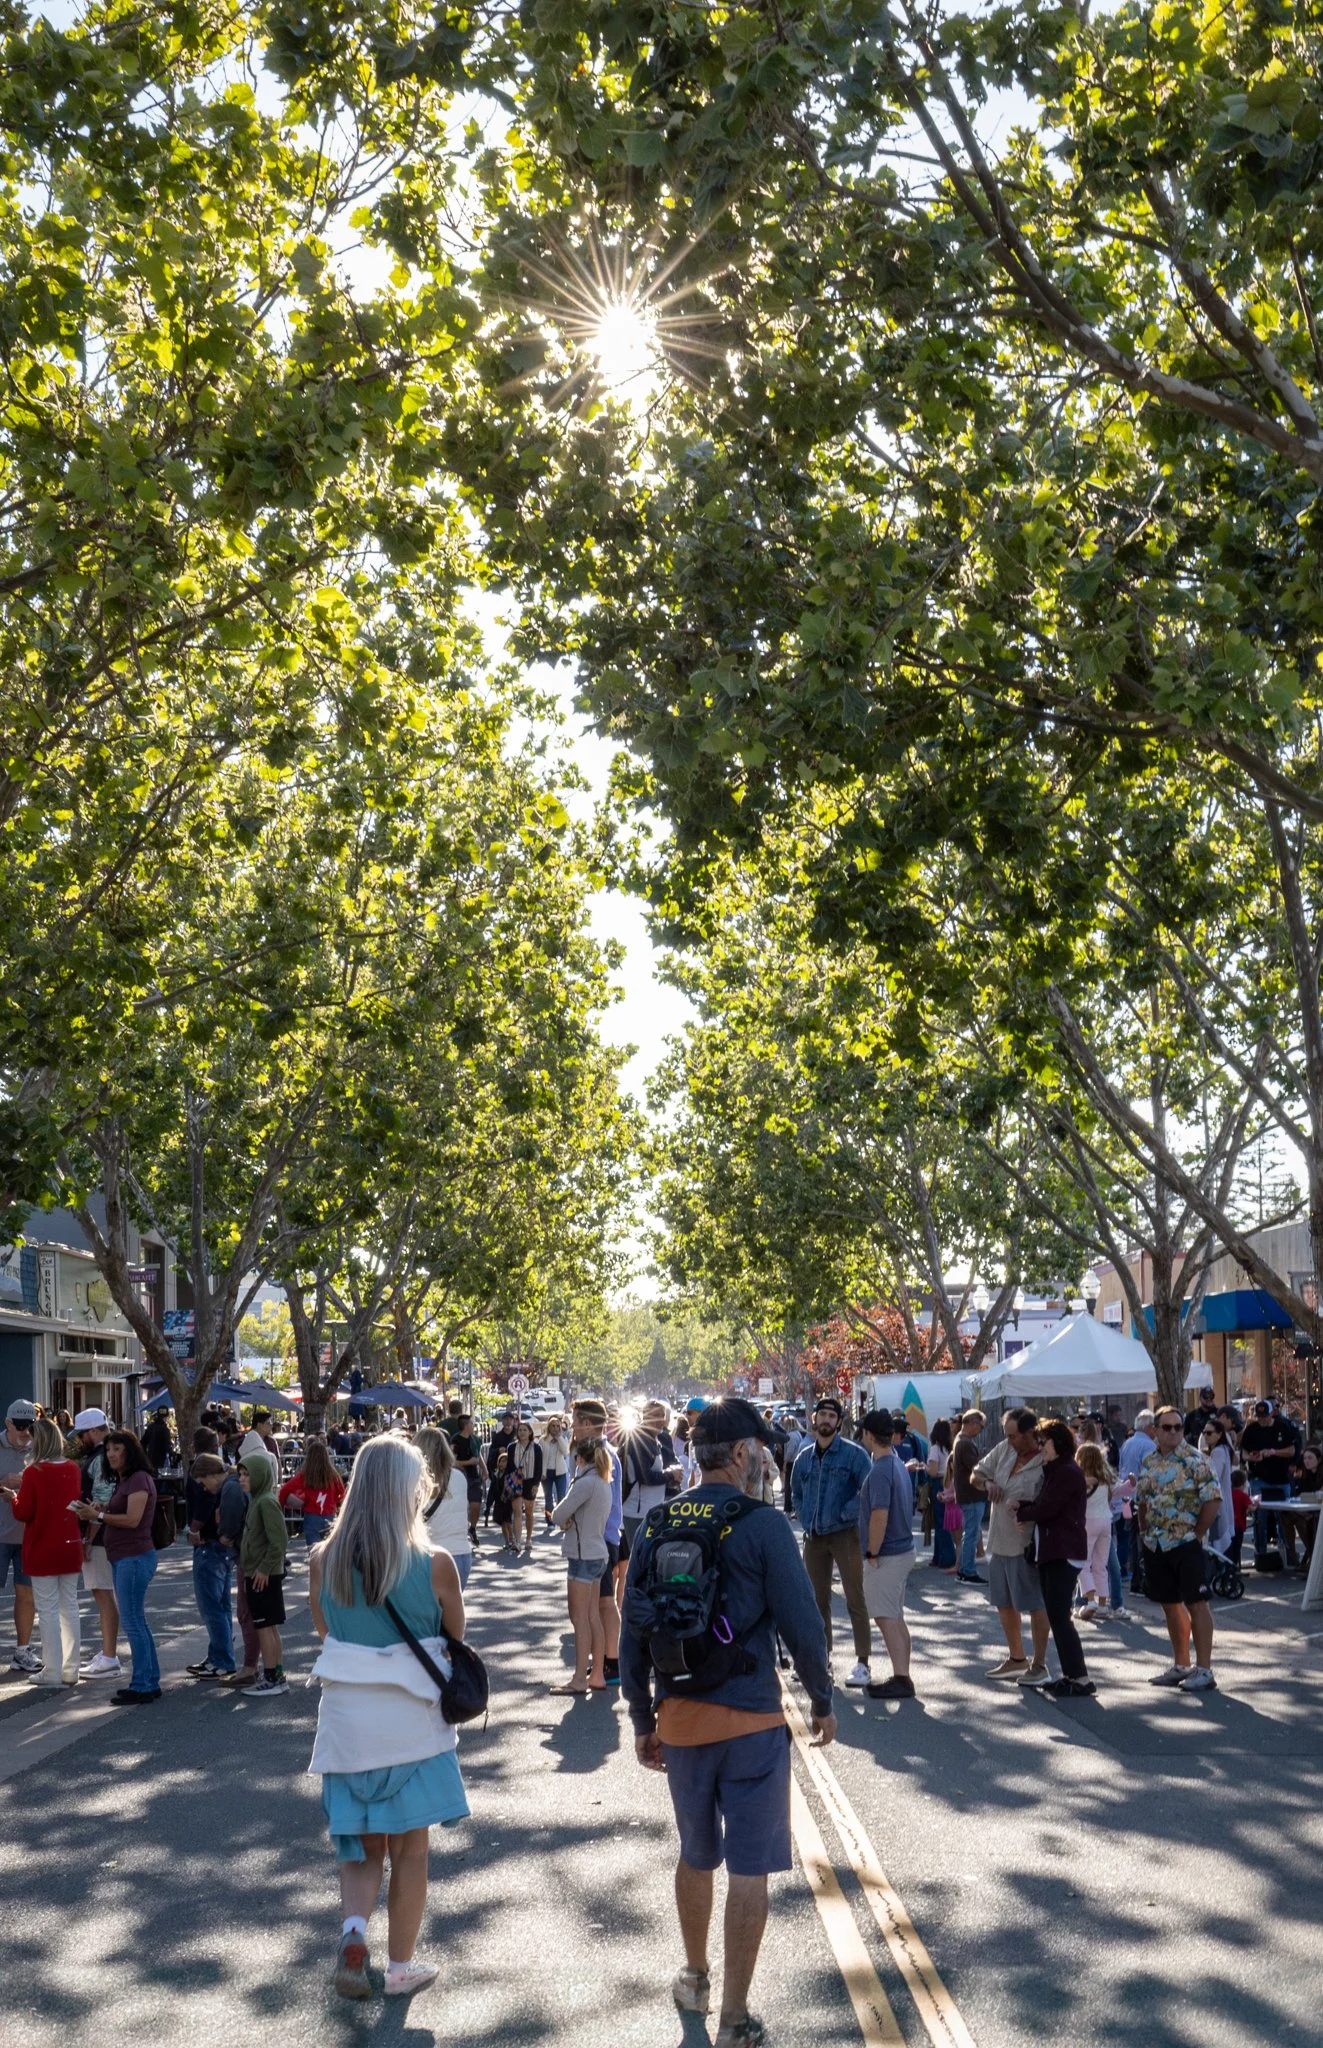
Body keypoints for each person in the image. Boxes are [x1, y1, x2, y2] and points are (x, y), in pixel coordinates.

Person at [621, 1397, 835, 2048]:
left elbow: (632, 1630)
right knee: (748, 1868)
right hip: (751, 1719)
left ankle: (693, 1974)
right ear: (740, 1454)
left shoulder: (657, 1521)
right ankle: (736, 2016)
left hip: (678, 1716)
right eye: (759, 1450)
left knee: (694, 1852)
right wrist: (821, 1698)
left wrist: (640, 1716)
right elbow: (801, 1622)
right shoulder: (764, 1524)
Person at [308, 1433, 468, 2002]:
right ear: (409, 1489)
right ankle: (400, 1967)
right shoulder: (436, 1564)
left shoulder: (322, 1561)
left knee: (360, 1847)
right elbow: (454, 1640)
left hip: (348, 1728)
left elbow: (328, 1634)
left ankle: (354, 1935)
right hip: (413, 1729)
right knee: (411, 1851)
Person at [1135, 1406, 1223, 1692]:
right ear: (1156, 1431)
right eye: (1167, 1427)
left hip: (1186, 1542)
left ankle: (1205, 1670)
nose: (1173, 1432)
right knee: (1169, 1604)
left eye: (1178, 1427)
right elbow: (1143, 1500)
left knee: (1197, 1603)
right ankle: (1181, 1665)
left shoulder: (1196, 1461)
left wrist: (1198, 1534)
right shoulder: (1149, 1461)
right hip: (1157, 1543)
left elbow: (1213, 1500)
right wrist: (1144, 1531)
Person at [71, 1430, 160, 1705]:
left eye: (117, 1449)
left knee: (133, 1622)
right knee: (137, 1622)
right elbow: (119, 1510)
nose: (111, 1454)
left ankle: (143, 1685)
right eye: (108, 1449)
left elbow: (133, 1519)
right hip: (125, 1558)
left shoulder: (138, 1479)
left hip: (134, 1557)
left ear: (129, 1451)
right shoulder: (125, 1480)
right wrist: (101, 1507)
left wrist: (97, 1514)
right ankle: (148, 1681)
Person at [790, 1396, 873, 1687]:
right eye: (821, 1414)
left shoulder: (854, 1454)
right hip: (813, 1537)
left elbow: (868, 1490)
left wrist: (842, 1514)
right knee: (815, 1601)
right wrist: (804, 1516)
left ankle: (863, 1663)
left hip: (844, 1535)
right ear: (814, 1419)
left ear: (839, 1422)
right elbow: (796, 1492)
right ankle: (821, 1660)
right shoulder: (804, 1457)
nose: (826, 1419)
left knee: (855, 1599)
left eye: (831, 1415)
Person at [971, 1408, 1052, 1686]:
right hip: (999, 1540)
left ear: (1031, 1433)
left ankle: (1040, 1664)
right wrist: (988, 1482)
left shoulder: (1046, 1457)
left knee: (1034, 1604)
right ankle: (1017, 1658)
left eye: (1015, 1435)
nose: (1010, 1440)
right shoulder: (1004, 1448)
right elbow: (975, 1474)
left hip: (1027, 1544)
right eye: (1008, 1435)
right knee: (1003, 1603)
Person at [1015, 1420, 1094, 1698]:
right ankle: (1072, 1674)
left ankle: (1081, 1678)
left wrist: (1023, 1512)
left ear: (1058, 1443)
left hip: (1064, 1551)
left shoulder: (1067, 1472)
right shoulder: (1056, 1471)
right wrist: (1026, 1508)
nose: (1040, 1447)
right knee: (1057, 1616)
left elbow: (1048, 1508)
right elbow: (1045, 1506)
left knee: (1060, 1617)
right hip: (1053, 1551)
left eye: (1044, 1442)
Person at [10, 1416, 83, 1687]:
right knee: (69, 1607)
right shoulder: (72, 1468)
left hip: (42, 1546)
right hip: (69, 1545)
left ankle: (52, 1670)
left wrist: (13, 1498)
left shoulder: (34, 1472)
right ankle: (70, 1668)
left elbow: (24, 1512)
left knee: (49, 1610)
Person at [857, 1409, 916, 1700]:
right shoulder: (896, 1464)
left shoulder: (881, 1469)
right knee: (894, 1616)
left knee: (885, 1617)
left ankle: (901, 1678)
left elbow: (880, 1515)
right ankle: (902, 1674)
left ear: (869, 1435)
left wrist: (871, 1550)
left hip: (889, 1553)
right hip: (901, 1550)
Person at [549, 1435, 613, 1695]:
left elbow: (557, 1514)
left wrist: (564, 1519)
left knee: (579, 1619)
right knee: (593, 1616)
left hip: (582, 1555)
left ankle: (578, 1678)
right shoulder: (603, 1480)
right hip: (598, 1553)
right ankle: (596, 1674)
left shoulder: (585, 1482)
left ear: (579, 1459)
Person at [570, 1399, 624, 1684]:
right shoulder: (592, 1452)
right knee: (597, 1605)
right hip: (598, 1538)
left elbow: (605, 1504)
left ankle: (611, 1662)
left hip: (600, 1539)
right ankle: (602, 1662)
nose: (574, 1427)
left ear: (589, 1424)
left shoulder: (603, 1455)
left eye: (577, 1421)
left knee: (604, 1603)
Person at [73, 1407, 122, 1678]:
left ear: (93, 1431)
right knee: (106, 1593)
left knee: (102, 1593)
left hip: (102, 1535)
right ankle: (108, 1652)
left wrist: (88, 1539)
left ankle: (110, 1655)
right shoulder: (114, 1451)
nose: (80, 1440)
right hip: (113, 1531)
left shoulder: (99, 1458)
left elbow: (98, 1502)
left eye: (82, 1434)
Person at [239, 1452, 290, 1696]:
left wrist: (264, 1568)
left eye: (247, 1474)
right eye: (240, 1474)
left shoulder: (266, 1501)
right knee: (269, 1626)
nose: (242, 1478)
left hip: (263, 1574)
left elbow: (279, 1540)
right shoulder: (258, 1500)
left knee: (265, 1626)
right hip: (259, 1572)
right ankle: (276, 1673)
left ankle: (272, 1677)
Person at [185, 1442, 237, 1678]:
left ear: (210, 1475)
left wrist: (197, 1531)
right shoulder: (228, 1485)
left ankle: (223, 1659)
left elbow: (212, 1512)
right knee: (221, 1605)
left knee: (211, 1607)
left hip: (211, 1547)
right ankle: (219, 1654)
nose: (203, 1487)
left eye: (203, 1481)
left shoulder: (223, 1489)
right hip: (220, 1549)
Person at [0, 1399, 38, 1673]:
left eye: (31, 1426)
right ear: (8, 1424)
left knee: (26, 1595)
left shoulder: (38, 1448)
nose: (26, 1432)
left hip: (27, 1535)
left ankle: (22, 1651)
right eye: (21, 1426)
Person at [1240, 1399, 1299, 1564]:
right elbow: (1243, 1454)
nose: (1262, 1420)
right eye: (1259, 1416)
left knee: (1284, 1519)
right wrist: (1252, 1456)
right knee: (1260, 1517)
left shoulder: (1283, 1427)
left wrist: (1272, 1452)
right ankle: (1261, 1555)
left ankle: (1288, 1554)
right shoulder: (1251, 1430)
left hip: (1281, 1479)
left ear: (1272, 1413)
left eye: (1265, 1416)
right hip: (1259, 1478)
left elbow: (1291, 1450)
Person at [414, 1427, 473, 1589]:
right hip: (461, 1552)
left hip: (431, 1556)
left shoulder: (417, 1481)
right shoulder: (459, 1476)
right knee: (454, 1611)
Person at [1118, 1410, 1158, 1597]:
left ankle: (1136, 1581)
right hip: (1142, 1499)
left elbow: (1122, 1469)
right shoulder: (1149, 1445)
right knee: (1144, 1539)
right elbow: (1151, 1474)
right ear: (1150, 1427)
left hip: (1127, 1497)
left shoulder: (1127, 1443)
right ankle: (1143, 1581)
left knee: (1134, 1539)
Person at [280, 1438, 346, 1548]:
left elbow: (285, 1490)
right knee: (329, 1554)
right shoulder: (333, 1475)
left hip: (311, 1517)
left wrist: (288, 1503)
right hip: (330, 1515)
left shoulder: (304, 1476)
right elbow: (342, 1493)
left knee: (313, 1553)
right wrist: (334, 1502)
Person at [1075, 1443, 1115, 1623]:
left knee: (1082, 1562)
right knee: (1101, 1564)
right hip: (1106, 1521)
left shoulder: (1081, 1479)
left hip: (1087, 1521)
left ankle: (1090, 1600)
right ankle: (1103, 1604)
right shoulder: (1105, 1478)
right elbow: (1118, 1491)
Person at [621, 1404, 670, 1547]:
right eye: (655, 1416)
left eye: (662, 1415)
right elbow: (645, 1477)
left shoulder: (654, 1440)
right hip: (638, 1514)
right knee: (639, 1560)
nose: (660, 1420)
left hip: (651, 1511)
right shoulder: (640, 1440)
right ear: (645, 1417)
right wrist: (670, 1476)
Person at [950, 1409, 987, 1584]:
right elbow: (977, 1467)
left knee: (970, 1533)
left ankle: (965, 1570)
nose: (980, 1430)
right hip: (971, 1495)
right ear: (972, 1423)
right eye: (980, 1426)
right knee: (971, 1533)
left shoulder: (960, 1441)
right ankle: (967, 1571)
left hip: (968, 1495)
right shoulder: (964, 1443)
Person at [1199, 1417, 1236, 1559]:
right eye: (1204, 1433)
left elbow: (1214, 1477)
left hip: (1218, 1505)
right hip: (1222, 1502)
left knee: (1217, 1546)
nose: (1206, 1436)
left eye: (1209, 1433)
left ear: (1220, 1434)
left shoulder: (1219, 1452)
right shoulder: (1223, 1450)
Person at [505, 1420, 543, 1556]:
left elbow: (539, 1468)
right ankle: (517, 1541)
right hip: (516, 1482)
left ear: (530, 1432)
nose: (522, 1432)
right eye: (520, 1430)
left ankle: (528, 1538)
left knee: (528, 1512)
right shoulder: (511, 1447)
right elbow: (509, 1466)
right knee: (517, 1512)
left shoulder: (537, 1448)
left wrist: (536, 1485)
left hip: (530, 1481)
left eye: (524, 1430)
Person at [447, 1413, 484, 1548]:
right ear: (466, 1426)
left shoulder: (475, 1440)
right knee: (462, 1506)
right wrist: (468, 1462)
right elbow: (452, 1461)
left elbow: (478, 1456)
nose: (473, 1426)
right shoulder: (455, 1441)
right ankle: (462, 1531)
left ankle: (472, 1528)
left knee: (476, 1505)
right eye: (471, 1424)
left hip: (474, 1477)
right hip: (460, 1476)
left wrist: (484, 1469)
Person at [926, 1418, 956, 1568]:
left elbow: (932, 1471)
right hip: (949, 1482)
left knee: (940, 1522)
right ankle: (938, 1556)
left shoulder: (935, 1449)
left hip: (938, 1483)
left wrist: (923, 1467)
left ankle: (947, 1556)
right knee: (944, 1521)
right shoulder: (949, 1449)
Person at [484, 1412, 518, 1527]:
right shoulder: (497, 1436)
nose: (508, 1422)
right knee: (495, 1492)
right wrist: (498, 1450)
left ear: (514, 1421)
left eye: (510, 1419)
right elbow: (491, 1454)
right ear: (502, 1422)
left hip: (515, 1471)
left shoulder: (518, 1434)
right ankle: (489, 1512)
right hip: (501, 1470)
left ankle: (512, 1516)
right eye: (506, 1419)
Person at [540, 1414, 571, 1528]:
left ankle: (561, 1520)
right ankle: (549, 1520)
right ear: (549, 1427)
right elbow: (541, 1457)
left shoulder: (563, 1439)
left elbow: (566, 1451)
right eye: (553, 1426)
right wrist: (541, 1473)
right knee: (548, 1498)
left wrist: (559, 1438)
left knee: (561, 1497)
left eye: (558, 1426)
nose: (555, 1428)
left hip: (560, 1472)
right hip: (547, 1472)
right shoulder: (543, 1440)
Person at [239, 1410, 281, 1480]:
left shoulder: (272, 1441)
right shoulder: (246, 1442)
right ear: (259, 1425)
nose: (271, 1425)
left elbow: (278, 1463)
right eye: (268, 1423)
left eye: (271, 1422)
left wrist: (279, 1481)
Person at [1229, 1466, 1251, 1568]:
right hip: (1239, 1525)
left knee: (1230, 1547)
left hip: (1230, 1524)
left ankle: (1229, 1566)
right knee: (1237, 1547)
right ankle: (1235, 1566)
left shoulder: (1229, 1494)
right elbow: (1251, 1507)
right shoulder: (1243, 1495)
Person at [140, 1409, 175, 1474]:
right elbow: (167, 1448)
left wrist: (145, 1457)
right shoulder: (165, 1430)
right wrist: (172, 1454)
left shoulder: (150, 1427)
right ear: (166, 1417)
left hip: (150, 1461)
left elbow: (142, 1443)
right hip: (162, 1464)